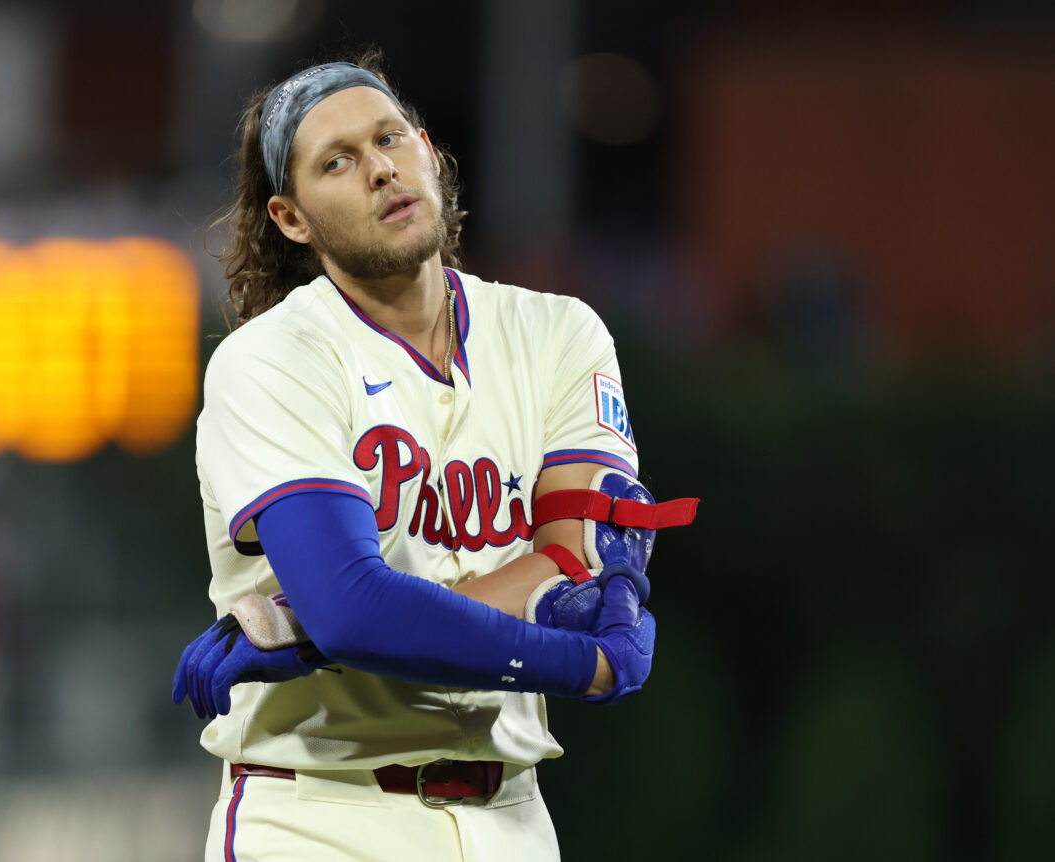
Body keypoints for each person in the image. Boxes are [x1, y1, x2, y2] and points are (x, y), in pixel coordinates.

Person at [172, 52, 696, 862]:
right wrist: (571, 659)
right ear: (291, 218)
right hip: (318, 814)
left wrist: (306, 630)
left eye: (389, 139)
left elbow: (581, 564)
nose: (379, 169)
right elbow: (355, 608)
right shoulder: (276, 359)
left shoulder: (558, 331)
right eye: (337, 162)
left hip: (514, 817)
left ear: (427, 150)